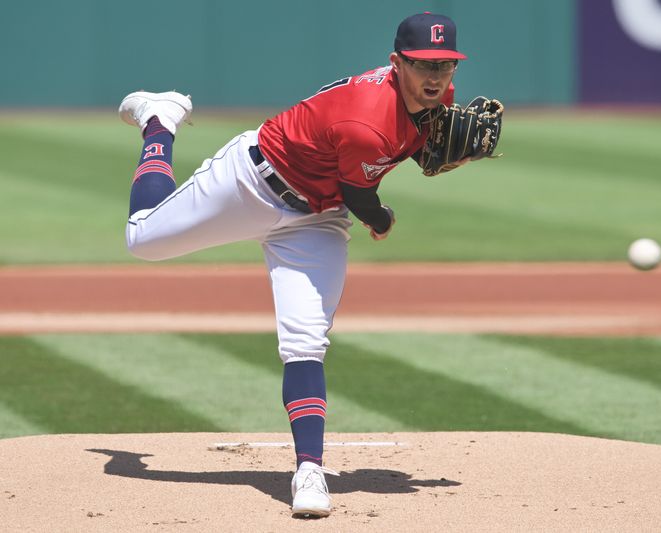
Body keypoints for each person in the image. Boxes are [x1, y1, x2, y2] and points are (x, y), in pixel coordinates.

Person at [119, 12, 468, 518]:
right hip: (251, 182)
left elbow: (405, 145)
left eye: (446, 65)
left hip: (316, 219)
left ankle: (309, 469)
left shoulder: (438, 100)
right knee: (142, 239)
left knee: (305, 339)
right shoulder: (365, 119)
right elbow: (364, 198)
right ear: (397, 63)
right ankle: (159, 122)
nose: (436, 77)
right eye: (423, 64)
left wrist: (434, 155)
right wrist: (384, 219)